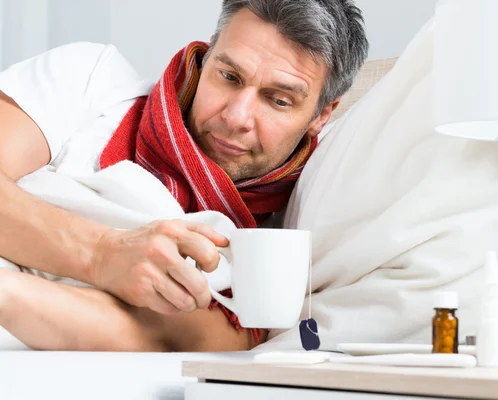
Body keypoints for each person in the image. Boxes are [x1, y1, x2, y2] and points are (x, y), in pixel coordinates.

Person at [0, 0, 369, 352]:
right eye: (228, 76)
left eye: (278, 100)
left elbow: (188, 339)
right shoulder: (89, 79)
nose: (235, 117)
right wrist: (101, 254)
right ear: (208, 55)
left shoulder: (298, 227)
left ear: (322, 115)